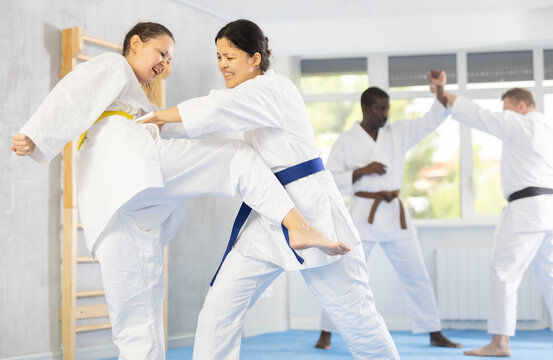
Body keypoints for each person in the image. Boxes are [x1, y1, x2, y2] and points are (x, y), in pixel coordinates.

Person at [10, 22, 345, 360]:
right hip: (129, 167)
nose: (164, 65)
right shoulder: (114, 66)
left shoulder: (138, 97)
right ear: (136, 44)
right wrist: (37, 133)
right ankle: (297, 224)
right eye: (162, 53)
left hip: (113, 205)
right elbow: (75, 92)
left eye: (169, 60)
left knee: (137, 315)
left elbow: (174, 127)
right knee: (236, 157)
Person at [142, 19, 399, 360]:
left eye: (229, 57)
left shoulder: (273, 90)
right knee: (219, 311)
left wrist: (155, 117)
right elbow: (212, 134)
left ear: (255, 58)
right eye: (218, 57)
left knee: (355, 314)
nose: (221, 65)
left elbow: (216, 108)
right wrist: (145, 135)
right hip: (268, 214)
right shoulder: (243, 102)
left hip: (312, 210)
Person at [314, 84, 462, 349]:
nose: (385, 115)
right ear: (365, 109)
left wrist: (440, 91)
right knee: (346, 273)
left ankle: (434, 331)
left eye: (387, 109)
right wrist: (362, 171)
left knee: (416, 274)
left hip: (394, 213)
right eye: (380, 109)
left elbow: (429, 122)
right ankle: (326, 332)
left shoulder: (398, 133)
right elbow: (328, 180)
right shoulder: (346, 140)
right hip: (362, 213)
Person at [429, 71, 553, 357]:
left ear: (521, 105)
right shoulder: (548, 127)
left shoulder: (518, 123)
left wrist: (441, 91)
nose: (504, 114)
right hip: (550, 209)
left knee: (503, 274)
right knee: (550, 275)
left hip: (526, 210)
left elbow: (477, 114)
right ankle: (499, 342)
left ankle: (500, 343)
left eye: (507, 107)